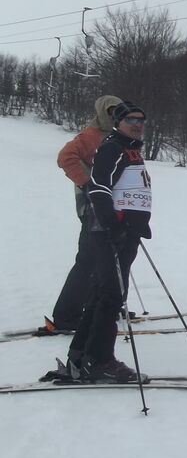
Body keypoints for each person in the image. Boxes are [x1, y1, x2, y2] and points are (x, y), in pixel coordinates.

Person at [64, 100, 152, 382]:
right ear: (118, 123)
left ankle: (81, 355)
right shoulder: (113, 147)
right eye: (131, 120)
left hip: (125, 231)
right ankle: (100, 360)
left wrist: (135, 223)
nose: (137, 124)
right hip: (111, 233)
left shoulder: (129, 149)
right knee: (112, 295)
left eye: (141, 120)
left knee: (103, 293)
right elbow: (99, 187)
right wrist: (112, 225)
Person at [49, 95, 123, 332]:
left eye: (118, 111)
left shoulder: (117, 135)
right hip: (92, 207)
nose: (115, 115)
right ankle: (66, 315)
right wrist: (87, 184)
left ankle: (102, 306)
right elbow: (65, 157)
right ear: (102, 111)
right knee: (88, 260)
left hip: (113, 207)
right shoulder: (90, 135)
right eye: (111, 111)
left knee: (109, 260)